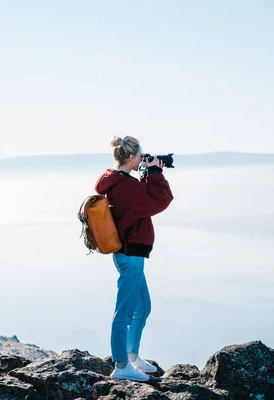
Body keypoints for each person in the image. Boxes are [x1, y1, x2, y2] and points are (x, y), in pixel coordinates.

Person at [94, 135, 174, 382]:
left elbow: (141, 198)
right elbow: (160, 199)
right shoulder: (125, 186)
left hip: (131, 254)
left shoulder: (119, 182)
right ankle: (120, 365)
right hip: (131, 256)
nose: (142, 158)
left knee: (142, 307)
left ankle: (131, 356)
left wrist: (147, 173)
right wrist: (155, 173)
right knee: (125, 312)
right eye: (140, 155)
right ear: (130, 157)